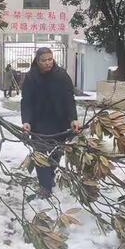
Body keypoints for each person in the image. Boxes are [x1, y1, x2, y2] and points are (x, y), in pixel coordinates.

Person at [21, 47, 80, 198]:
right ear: (37, 61)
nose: (48, 63)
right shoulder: (31, 77)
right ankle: (44, 186)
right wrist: (26, 121)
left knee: (56, 153)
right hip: (38, 123)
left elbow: (69, 99)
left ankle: (50, 176)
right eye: (44, 60)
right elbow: (26, 101)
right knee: (40, 154)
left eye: (50, 59)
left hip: (59, 123)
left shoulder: (62, 76)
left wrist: (73, 118)